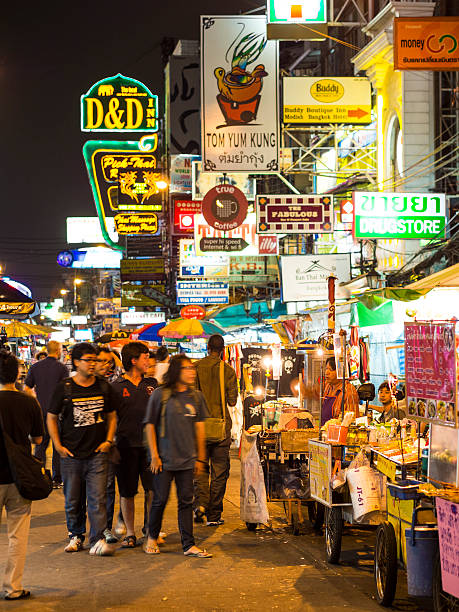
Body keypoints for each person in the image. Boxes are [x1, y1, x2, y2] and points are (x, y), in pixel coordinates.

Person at [47, 343, 118, 556]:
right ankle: (76, 535)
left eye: (95, 360)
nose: (93, 364)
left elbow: (112, 415)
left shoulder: (103, 386)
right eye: (88, 360)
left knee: (97, 499)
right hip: (71, 454)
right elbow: (51, 417)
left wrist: (108, 440)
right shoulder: (64, 387)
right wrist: (58, 445)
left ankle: (97, 539)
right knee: (73, 498)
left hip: (97, 453)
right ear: (76, 362)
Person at [144, 354, 211, 557]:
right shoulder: (160, 395)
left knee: (186, 502)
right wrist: (154, 455)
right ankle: (152, 537)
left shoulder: (196, 397)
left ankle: (188, 545)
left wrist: (200, 458)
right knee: (160, 500)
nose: (192, 372)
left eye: (192, 368)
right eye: (187, 368)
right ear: (175, 372)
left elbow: (200, 430)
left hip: (187, 460)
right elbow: (149, 425)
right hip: (164, 460)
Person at [0, 350, 44, 600]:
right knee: (17, 535)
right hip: (20, 479)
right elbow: (38, 439)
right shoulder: (28, 402)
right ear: (17, 374)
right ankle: (13, 588)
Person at [111, 342, 155, 548]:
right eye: (145, 357)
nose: (148, 361)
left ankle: (150, 528)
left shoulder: (153, 385)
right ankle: (130, 533)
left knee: (152, 490)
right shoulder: (116, 387)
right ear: (133, 360)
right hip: (125, 448)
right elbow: (111, 418)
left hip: (150, 448)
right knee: (127, 492)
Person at [194, 334, 238, 527]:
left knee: (201, 469)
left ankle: (201, 505)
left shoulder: (195, 368)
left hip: (199, 428)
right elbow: (232, 401)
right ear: (223, 350)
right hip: (220, 429)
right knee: (219, 472)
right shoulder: (227, 371)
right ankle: (214, 514)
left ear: (207, 347)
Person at [24, 340, 69, 488]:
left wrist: (35, 402)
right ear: (58, 351)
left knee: (40, 445)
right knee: (57, 445)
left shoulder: (35, 367)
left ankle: (39, 476)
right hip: (57, 413)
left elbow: (26, 389)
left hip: (41, 411)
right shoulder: (62, 368)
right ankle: (57, 479)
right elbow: (66, 391)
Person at [94, 347, 120, 543]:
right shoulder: (86, 384)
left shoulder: (114, 381)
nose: (106, 364)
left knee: (109, 487)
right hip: (93, 444)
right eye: (101, 360)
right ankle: (82, 531)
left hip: (114, 442)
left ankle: (106, 527)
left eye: (108, 361)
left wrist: (115, 358)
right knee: (97, 490)